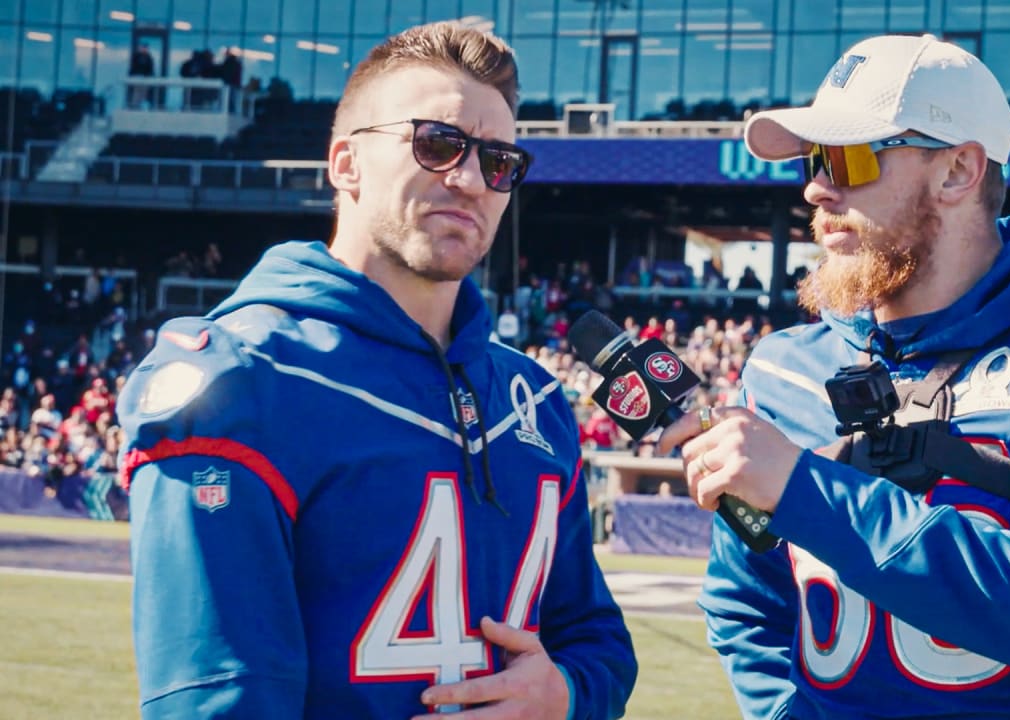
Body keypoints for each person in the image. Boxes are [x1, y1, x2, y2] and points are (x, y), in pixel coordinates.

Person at [656, 34, 1010, 719]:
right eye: (812, 159)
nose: (815, 186)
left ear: (957, 171)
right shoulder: (784, 368)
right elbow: (749, 603)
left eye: (847, 157)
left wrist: (807, 489)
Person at [119, 22, 635, 720]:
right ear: (345, 164)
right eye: (437, 143)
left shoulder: (534, 399)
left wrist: (564, 695)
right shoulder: (244, 380)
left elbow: (595, 638)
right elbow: (220, 702)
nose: (470, 179)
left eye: (499, 161)